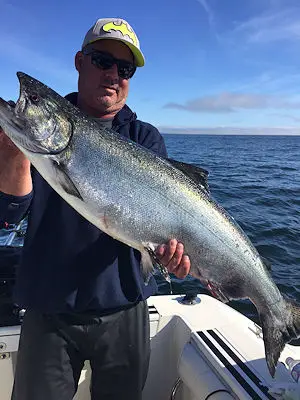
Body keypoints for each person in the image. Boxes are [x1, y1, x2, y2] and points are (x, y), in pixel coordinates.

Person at [0, 18, 190, 400]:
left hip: (124, 307)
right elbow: (9, 216)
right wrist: (14, 155)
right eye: (102, 60)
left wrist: (173, 254)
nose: (113, 75)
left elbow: (158, 230)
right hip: (48, 307)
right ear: (79, 62)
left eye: (124, 69)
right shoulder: (37, 139)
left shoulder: (144, 138)